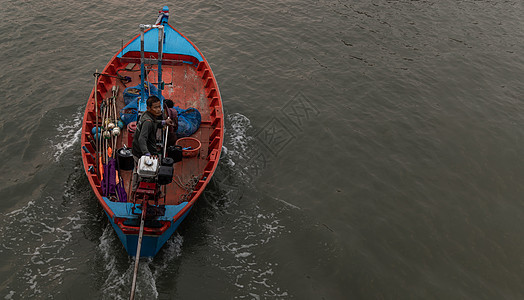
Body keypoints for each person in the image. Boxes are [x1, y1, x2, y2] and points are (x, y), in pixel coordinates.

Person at [131, 96, 174, 195]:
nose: (158, 109)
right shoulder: (148, 122)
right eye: (155, 107)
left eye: (159, 107)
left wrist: (164, 122)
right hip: (141, 151)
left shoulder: (146, 115)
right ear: (148, 108)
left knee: (136, 170)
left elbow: (155, 123)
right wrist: (146, 154)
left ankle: (134, 190)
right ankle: (146, 190)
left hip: (136, 148)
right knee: (150, 170)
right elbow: (142, 139)